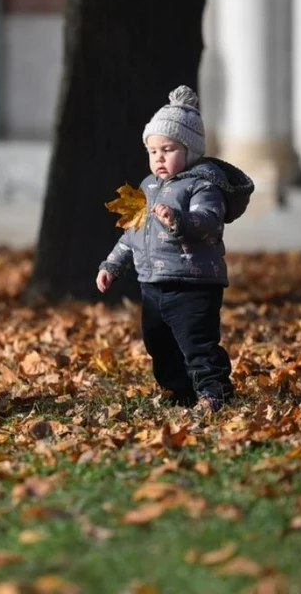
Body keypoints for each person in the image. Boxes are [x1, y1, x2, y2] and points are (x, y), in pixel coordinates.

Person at [95, 86, 254, 414]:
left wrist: (178, 220)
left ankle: (215, 391)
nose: (159, 158)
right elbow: (132, 232)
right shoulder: (148, 187)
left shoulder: (203, 184)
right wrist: (112, 265)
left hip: (193, 284)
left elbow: (209, 220)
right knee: (159, 343)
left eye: (168, 149)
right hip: (153, 285)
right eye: (153, 151)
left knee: (197, 342)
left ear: (191, 150)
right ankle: (177, 391)